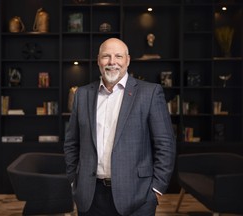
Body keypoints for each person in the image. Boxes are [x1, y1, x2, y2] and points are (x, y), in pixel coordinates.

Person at [64, 38, 176, 216]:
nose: (112, 62)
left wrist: (156, 188)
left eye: (118, 56)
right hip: (90, 196)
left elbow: (165, 144)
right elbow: (72, 142)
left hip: (138, 196)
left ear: (128, 60)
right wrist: (73, 180)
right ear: (98, 60)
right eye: (106, 56)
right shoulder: (82, 94)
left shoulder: (150, 93)